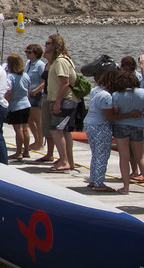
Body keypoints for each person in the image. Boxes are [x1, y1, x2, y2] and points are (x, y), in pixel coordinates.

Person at [109, 66, 144, 195]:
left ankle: (126, 187)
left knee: (124, 156)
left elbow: (115, 112)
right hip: (138, 126)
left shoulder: (116, 95)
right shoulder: (143, 93)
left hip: (121, 126)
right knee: (140, 157)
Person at [43, 34, 79, 172]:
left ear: (55, 45)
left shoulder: (61, 61)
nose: (45, 45)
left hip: (66, 100)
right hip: (62, 99)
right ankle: (69, 160)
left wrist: (57, 102)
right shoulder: (56, 61)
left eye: (48, 43)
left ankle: (64, 161)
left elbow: (65, 83)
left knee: (55, 129)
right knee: (64, 131)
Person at [83, 68, 116, 190]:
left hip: (89, 123)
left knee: (95, 153)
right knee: (102, 154)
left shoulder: (95, 90)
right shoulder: (106, 96)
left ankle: (93, 180)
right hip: (100, 125)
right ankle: (99, 183)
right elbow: (109, 116)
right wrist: (129, 115)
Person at [5, 53, 32, 159]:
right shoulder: (26, 75)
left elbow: (9, 92)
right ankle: (26, 151)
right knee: (25, 129)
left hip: (16, 105)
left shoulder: (10, 76)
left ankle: (19, 152)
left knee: (18, 130)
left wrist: (6, 104)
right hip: (26, 104)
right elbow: (28, 91)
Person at [24, 43, 47, 154]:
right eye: (26, 52)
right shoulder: (28, 63)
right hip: (28, 94)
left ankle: (40, 142)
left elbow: (44, 82)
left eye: (29, 52)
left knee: (38, 120)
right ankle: (36, 140)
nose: (27, 54)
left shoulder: (40, 65)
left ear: (36, 54)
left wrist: (35, 91)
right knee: (29, 119)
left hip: (36, 95)